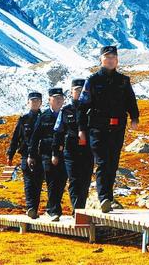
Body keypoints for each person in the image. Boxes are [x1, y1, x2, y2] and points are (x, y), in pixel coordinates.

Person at [77, 45, 140, 213]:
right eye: (107, 57)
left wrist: (134, 117)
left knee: (113, 163)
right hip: (97, 128)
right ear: (101, 60)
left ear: (117, 60)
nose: (110, 60)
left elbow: (131, 101)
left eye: (113, 57)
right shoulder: (92, 81)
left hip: (118, 128)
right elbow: (82, 107)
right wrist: (81, 129)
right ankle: (103, 197)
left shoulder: (123, 81)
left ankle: (108, 198)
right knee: (103, 162)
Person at [54, 78, 94, 211]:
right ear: (71, 92)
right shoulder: (65, 111)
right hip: (71, 150)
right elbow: (58, 132)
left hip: (87, 150)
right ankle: (77, 211)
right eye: (76, 90)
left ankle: (81, 209)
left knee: (85, 181)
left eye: (82, 90)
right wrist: (55, 152)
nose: (79, 92)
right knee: (74, 180)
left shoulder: (92, 109)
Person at [29, 87, 68, 221]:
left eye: (60, 98)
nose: (58, 101)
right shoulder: (44, 116)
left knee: (61, 181)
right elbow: (35, 137)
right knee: (52, 181)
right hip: (46, 153)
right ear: (49, 100)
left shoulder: (67, 114)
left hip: (63, 153)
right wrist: (31, 155)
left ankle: (51, 206)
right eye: (55, 98)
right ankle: (54, 211)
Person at [8, 91, 44, 219]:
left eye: (37, 101)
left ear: (41, 103)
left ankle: (34, 208)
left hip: (41, 156)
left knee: (38, 183)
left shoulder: (45, 118)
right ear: (28, 103)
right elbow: (15, 138)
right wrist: (10, 155)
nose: (35, 103)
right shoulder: (23, 120)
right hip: (25, 155)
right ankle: (30, 207)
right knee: (28, 181)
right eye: (32, 101)